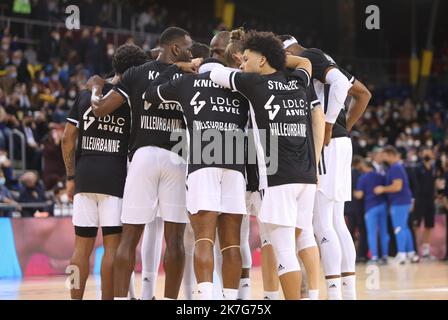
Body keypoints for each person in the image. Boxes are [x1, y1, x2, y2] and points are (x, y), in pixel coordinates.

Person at [87, 27, 195, 300]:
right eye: (188, 47)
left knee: (129, 238)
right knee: (175, 240)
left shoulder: (136, 73)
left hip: (143, 156)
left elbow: (99, 110)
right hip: (177, 157)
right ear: (174, 48)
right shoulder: (189, 73)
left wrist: (96, 88)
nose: (191, 52)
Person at [210, 30, 316, 300]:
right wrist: (280, 60)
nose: (242, 64)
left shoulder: (252, 84)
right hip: (307, 178)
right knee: (296, 244)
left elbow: (214, 73)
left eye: (246, 58)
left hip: (279, 179)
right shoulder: (298, 81)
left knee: (284, 253)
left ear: (262, 60)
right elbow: (305, 63)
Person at [144, 55, 250, 299]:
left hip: (204, 160)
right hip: (235, 163)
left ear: (199, 70)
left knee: (204, 239)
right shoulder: (239, 85)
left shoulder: (188, 82)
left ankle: (203, 300)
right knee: (232, 243)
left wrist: (174, 68)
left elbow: (150, 94)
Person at [281, 34, 371, 300]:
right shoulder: (323, 60)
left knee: (322, 223)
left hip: (327, 144)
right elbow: (363, 94)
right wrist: (344, 127)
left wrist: (330, 124)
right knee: (335, 221)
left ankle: (333, 293)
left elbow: (341, 83)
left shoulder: (308, 57)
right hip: (341, 144)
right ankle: (347, 293)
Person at [62, 43, 147, 300]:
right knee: (112, 248)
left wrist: (70, 176)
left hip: (85, 176)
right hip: (115, 177)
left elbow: (67, 139)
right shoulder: (129, 99)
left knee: (80, 249)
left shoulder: (86, 95)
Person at [374, 146, 419, 264]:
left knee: (399, 228)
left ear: (390, 155)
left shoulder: (395, 168)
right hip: (403, 201)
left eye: (384, 155)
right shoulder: (396, 167)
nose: (383, 158)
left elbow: (397, 186)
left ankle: (401, 254)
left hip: (399, 202)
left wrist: (382, 189)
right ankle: (411, 253)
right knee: (405, 227)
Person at [354, 159, 389, 264]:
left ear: (365, 167)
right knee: (384, 232)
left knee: (372, 233)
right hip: (383, 206)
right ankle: (385, 256)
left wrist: (354, 192)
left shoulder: (363, 178)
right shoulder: (380, 176)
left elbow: (359, 195)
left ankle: (374, 257)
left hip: (370, 208)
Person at [411, 147, 436, 259]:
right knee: (416, 225)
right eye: (426, 151)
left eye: (429, 152)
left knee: (429, 225)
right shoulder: (417, 168)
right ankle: (415, 250)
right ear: (422, 154)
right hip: (419, 199)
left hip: (430, 200)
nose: (428, 153)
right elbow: (414, 185)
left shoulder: (433, 168)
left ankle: (426, 251)